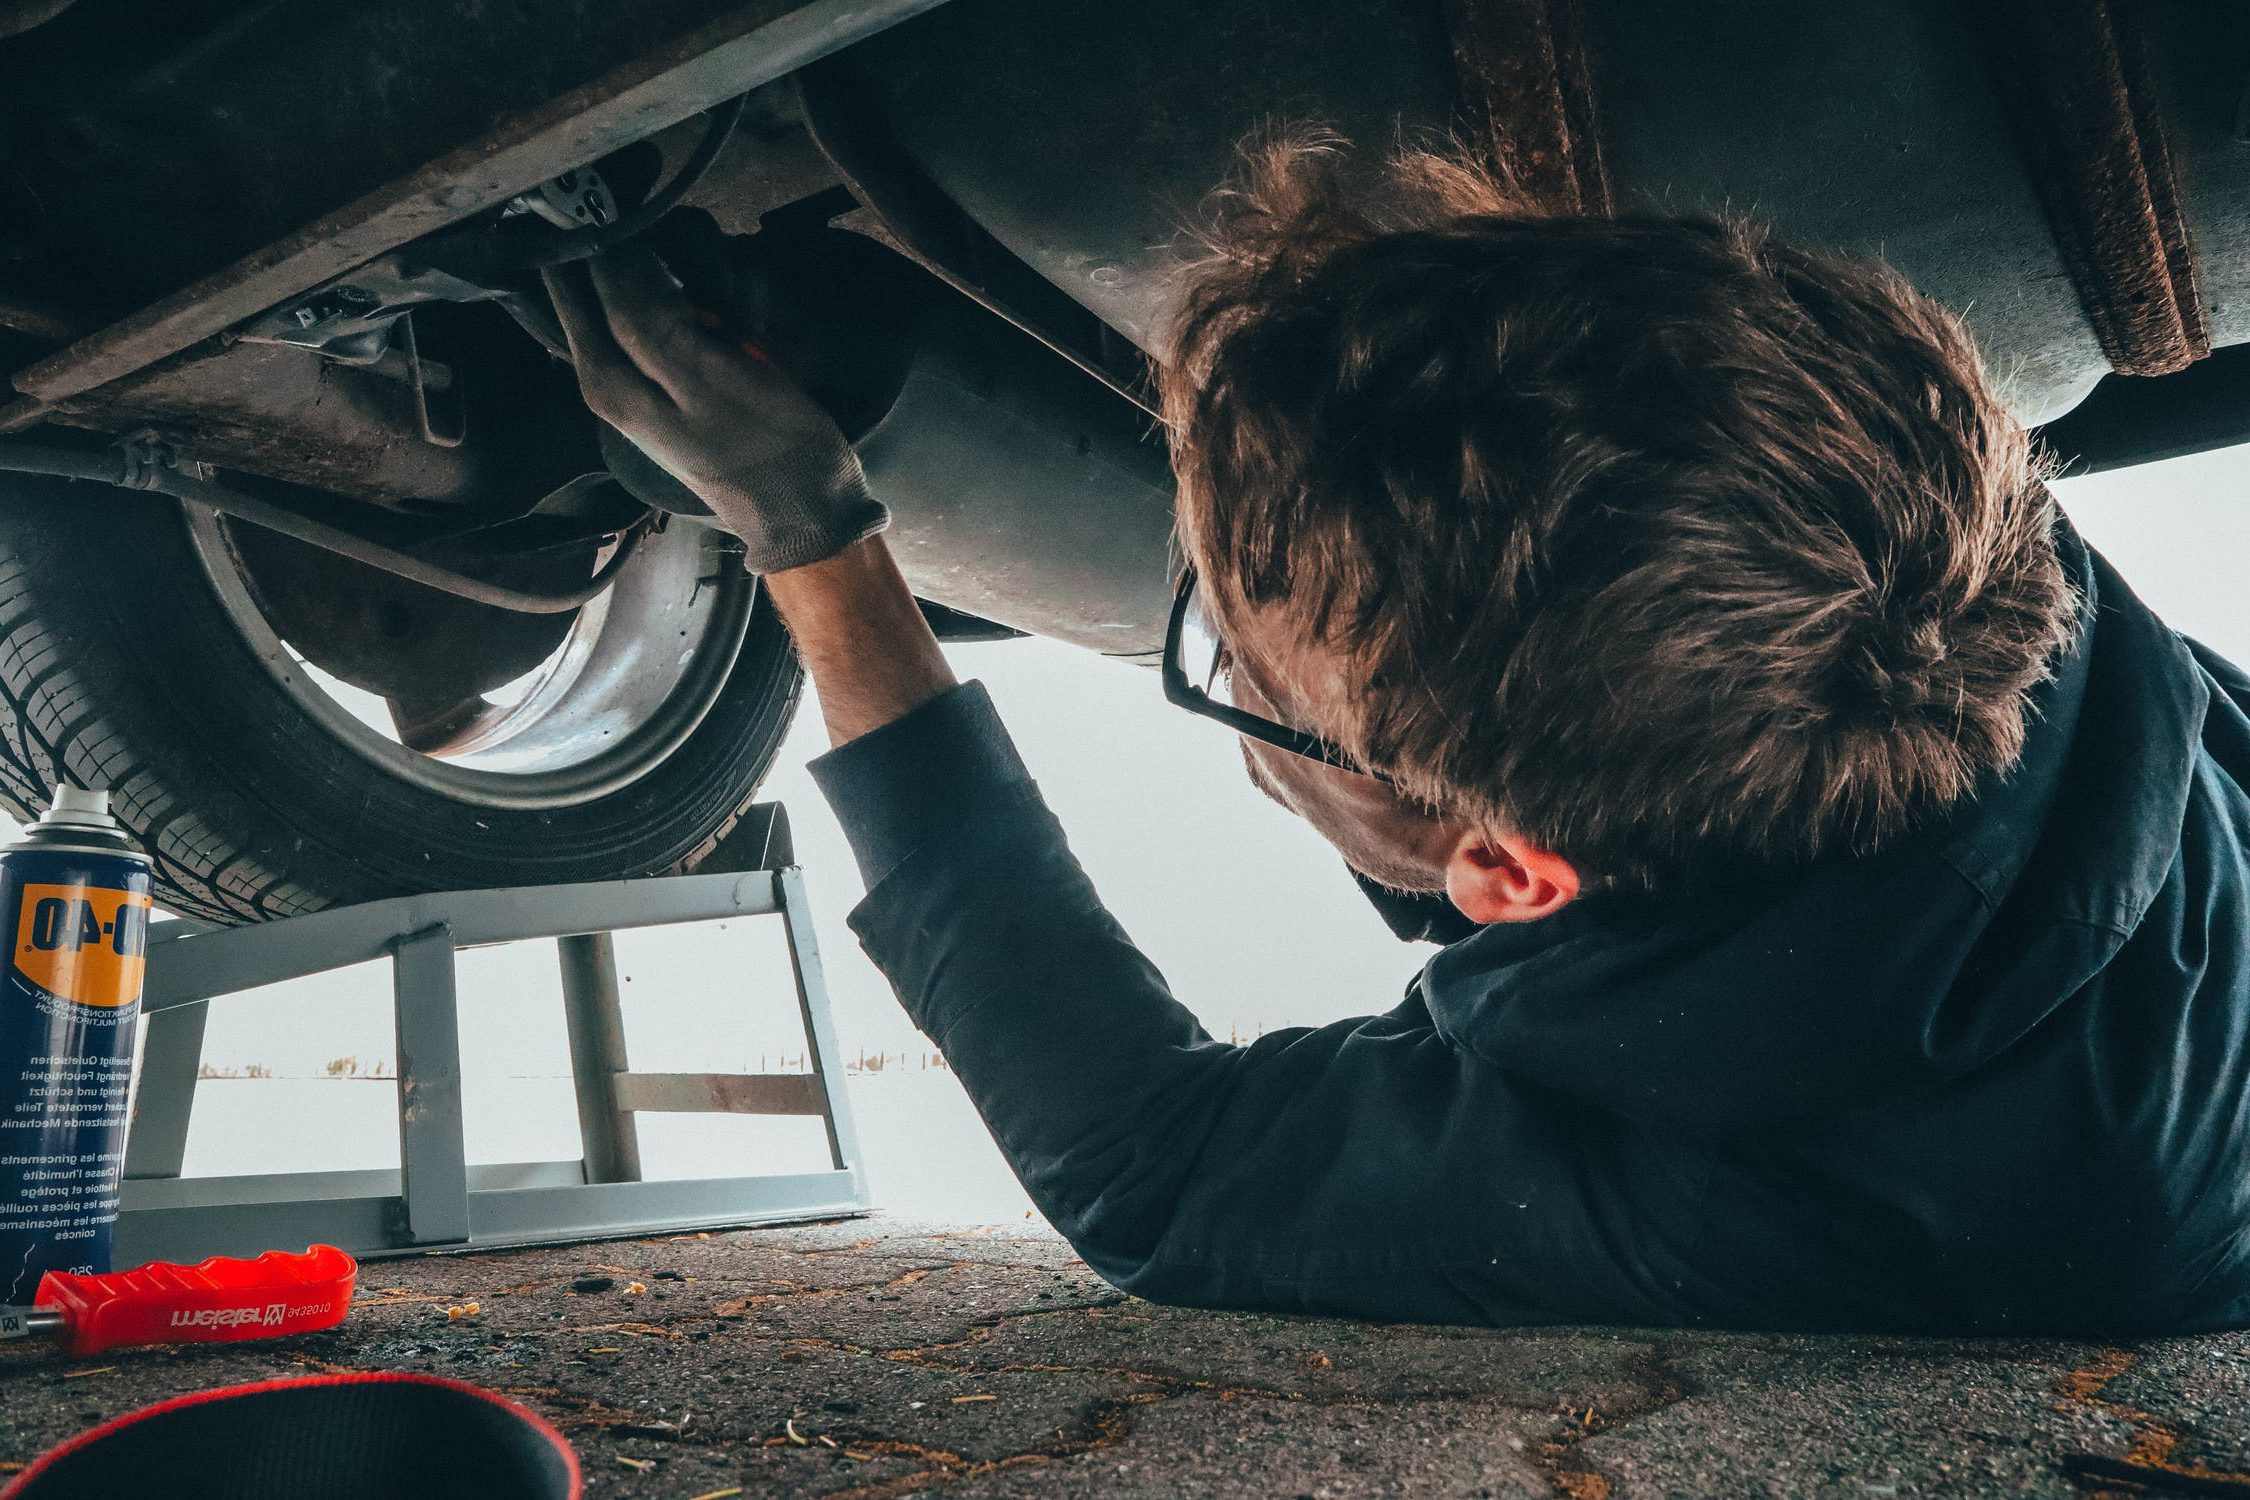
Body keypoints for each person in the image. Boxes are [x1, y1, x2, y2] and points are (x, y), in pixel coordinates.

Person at [543, 138, 2250, 1334]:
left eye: (1235, 665)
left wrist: (815, 540)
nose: (1223, 672)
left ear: (1508, 871)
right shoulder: (1920, 532)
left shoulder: (1815, 1186)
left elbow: (1150, 1168)